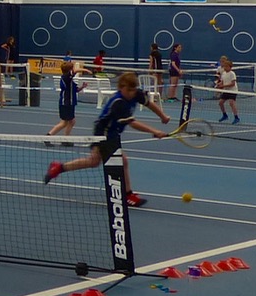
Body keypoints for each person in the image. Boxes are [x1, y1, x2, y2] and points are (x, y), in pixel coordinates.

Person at [44, 72, 170, 208]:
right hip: (104, 133)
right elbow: (133, 123)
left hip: (113, 132)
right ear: (121, 87)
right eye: (129, 90)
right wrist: (155, 131)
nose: (132, 93)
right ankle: (128, 195)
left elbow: (149, 104)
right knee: (123, 160)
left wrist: (162, 116)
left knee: (93, 162)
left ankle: (58, 167)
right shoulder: (118, 103)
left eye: (133, 90)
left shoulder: (136, 94)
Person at [45, 61, 85, 141]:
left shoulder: (70, 80)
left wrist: (82, 87)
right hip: (66, 103)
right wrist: (86, 70)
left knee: (71, 122)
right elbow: (74, 71)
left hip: (70, 103)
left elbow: (75, 90)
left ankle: (66, 139)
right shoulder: (66, 77)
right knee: (64, 123)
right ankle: (49, 136)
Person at [216, 56, 239, 124]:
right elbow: (222, 82)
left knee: (231, 103)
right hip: (226, 91)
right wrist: (219, 85)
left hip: (233, 91)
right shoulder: (223, 74)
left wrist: (223, 86)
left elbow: (232, 83)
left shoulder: (232, 73)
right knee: (220, 103)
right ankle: (224, 115)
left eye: (226, 66)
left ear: (230, 67)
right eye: (224, 66)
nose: (225, 68)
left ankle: (236, 117)